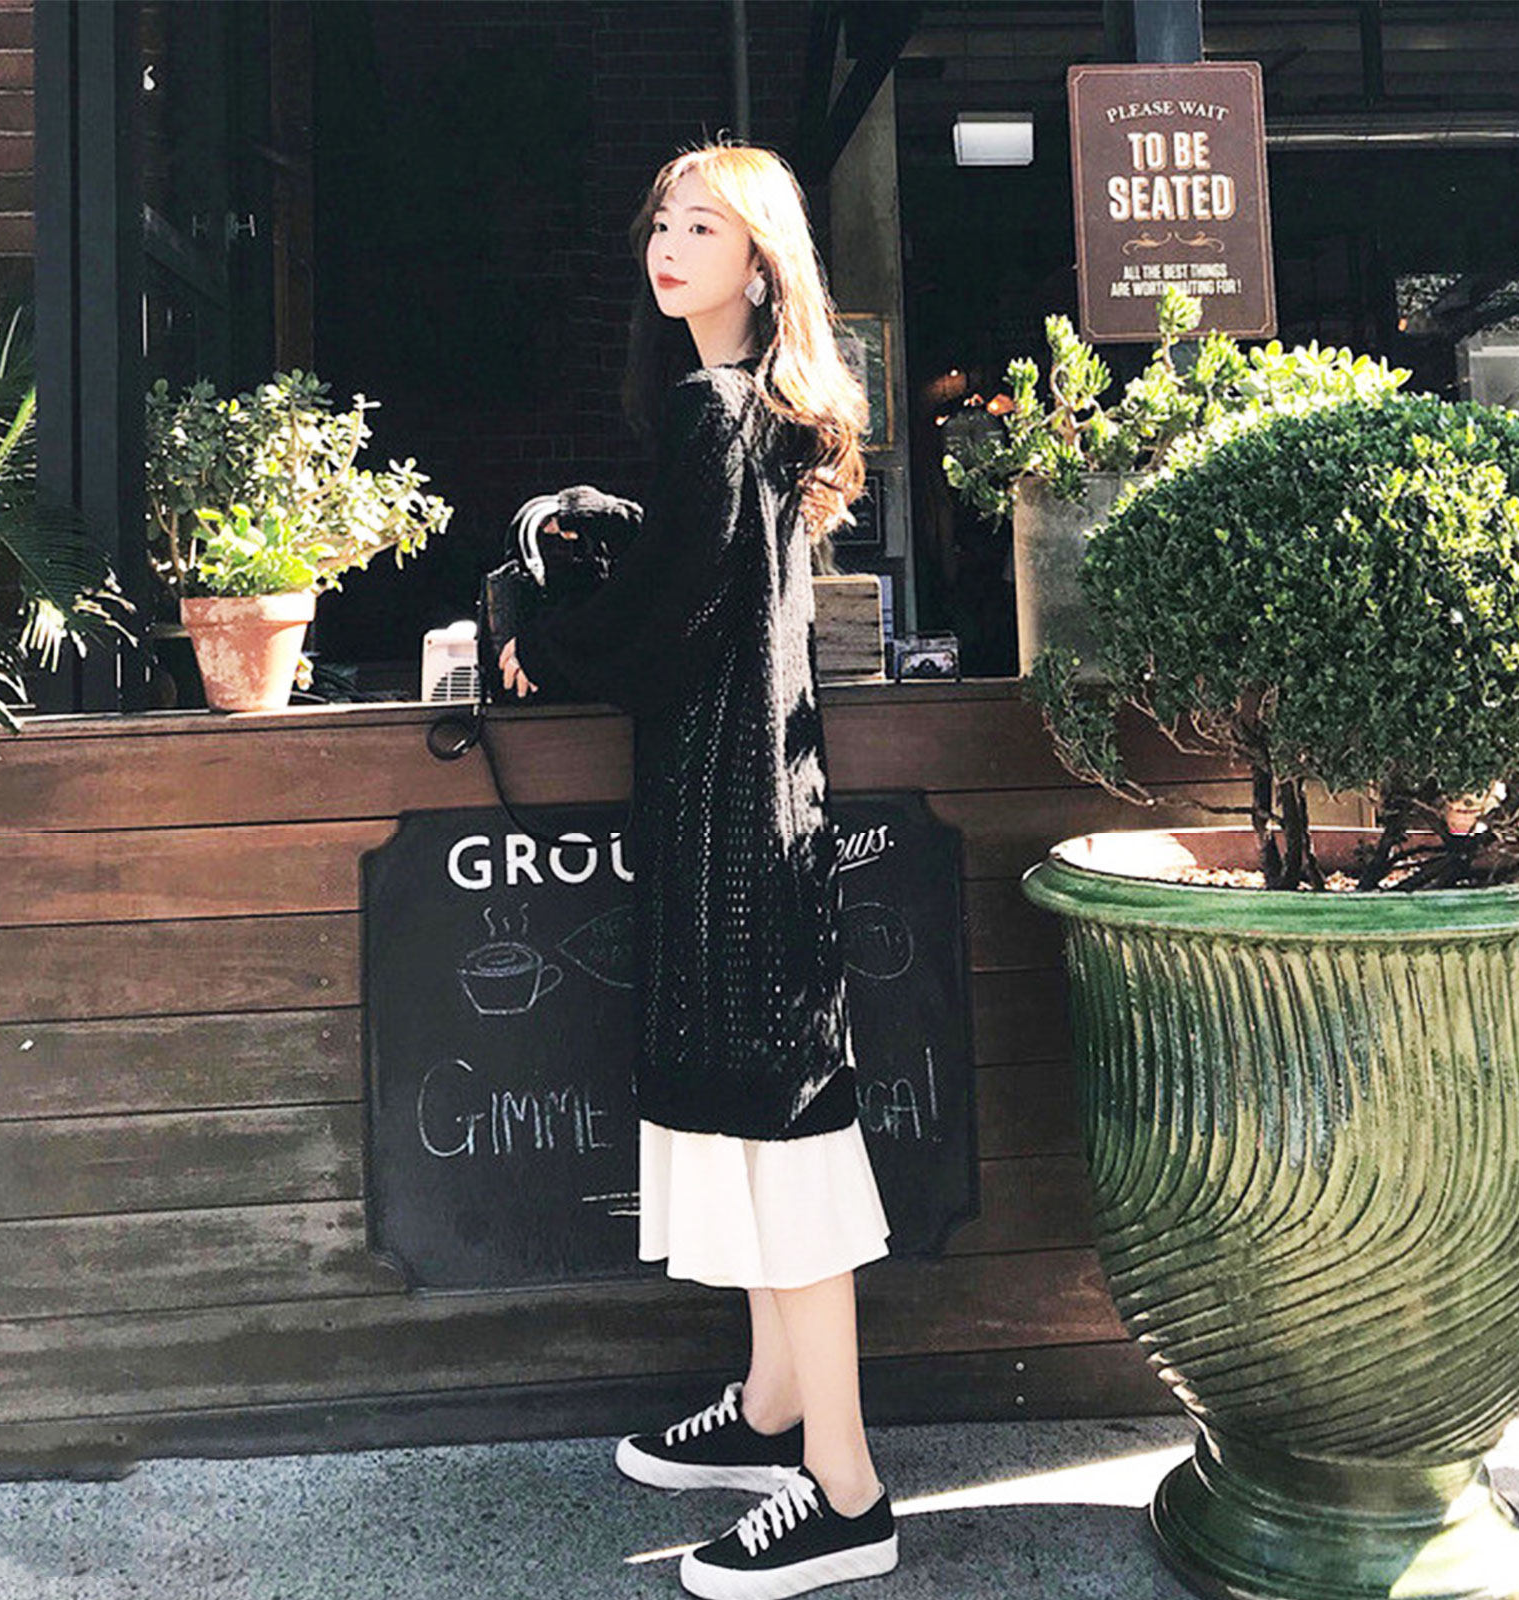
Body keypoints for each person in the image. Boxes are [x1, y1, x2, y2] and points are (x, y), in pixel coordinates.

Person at [500, 139, 896, 1600]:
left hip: (733, 830)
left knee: (781, 1145)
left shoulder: (716, 408)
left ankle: (845, 1488)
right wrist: (613, 523)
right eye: (662, 220)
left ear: (763, 262)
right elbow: (707, 569)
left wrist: (543, 641)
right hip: (753, 816)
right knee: (753, 1122)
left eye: (704, 226)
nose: (669, 244)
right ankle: (775, 1403)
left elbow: (672, 620)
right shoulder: (755, 412)